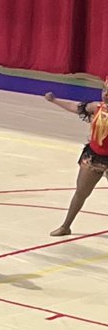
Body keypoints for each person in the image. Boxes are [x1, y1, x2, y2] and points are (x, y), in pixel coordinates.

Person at [42, 82, 108, 236]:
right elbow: (76, 107)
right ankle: (66, 226)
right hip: (94, 158)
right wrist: (55, 100)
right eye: (105, 90)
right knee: (81, 193)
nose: (105, 94)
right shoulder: (96, 108)